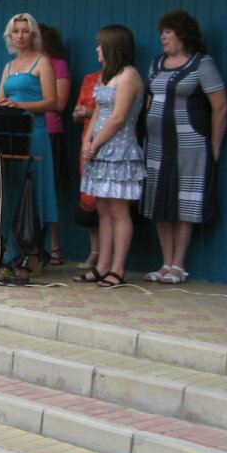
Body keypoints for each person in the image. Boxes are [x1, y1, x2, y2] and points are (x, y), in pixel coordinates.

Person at [141, 9, 227, 284]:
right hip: (156, 145)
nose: (163, 37)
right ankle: (165, 262)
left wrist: (215, 145)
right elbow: (149, 100)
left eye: (168, 32)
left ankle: (179, 265)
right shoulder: (156, 64)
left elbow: (221, 107)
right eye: (162, 32)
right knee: (159, 202)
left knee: (184, 202)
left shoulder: (202, 64)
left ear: (183, 34)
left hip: (190, 145)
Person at [0, 12, 59, 272]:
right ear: (10, 36)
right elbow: (2, 100)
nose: (20, 36)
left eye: (25, 30)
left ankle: (33, 254)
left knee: (31, 195)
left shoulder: (42, 62)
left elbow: (52, 102)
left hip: (35, 135)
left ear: (33, 34)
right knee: (8, 193)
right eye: (16, 31)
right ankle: (9, 253)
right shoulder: (9, 66)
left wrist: (20, 105)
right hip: (11, 138)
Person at [74, 25, 145, 288]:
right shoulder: (107, 76)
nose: (97, 49)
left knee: (118, 209)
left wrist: (96, 143)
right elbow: (98, 112)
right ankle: (102, 265)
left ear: (113, 46)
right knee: (102, 208)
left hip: (120, 150)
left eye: (100, 44)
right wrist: (87, 141)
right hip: (100, 150)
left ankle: (118, 268)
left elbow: (118, 118)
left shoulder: (129, 76)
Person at [39, 24, 71, 265]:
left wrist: (28, 99)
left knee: (49, 190)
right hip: (28, 131)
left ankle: (55, 246)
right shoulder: (19, 66)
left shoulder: (58, 65)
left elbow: (59, 103)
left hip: (50, 131)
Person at [71, 69, 102, 275]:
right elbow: (75, 114)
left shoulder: (125, 77)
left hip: (111, 143)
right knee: (90, 199)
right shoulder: (90, 79)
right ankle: (95, 251)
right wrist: (79, 114)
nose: (99, 53)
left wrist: (90, 113)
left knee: (109, 202)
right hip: (87, 142)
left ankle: (110, 257)